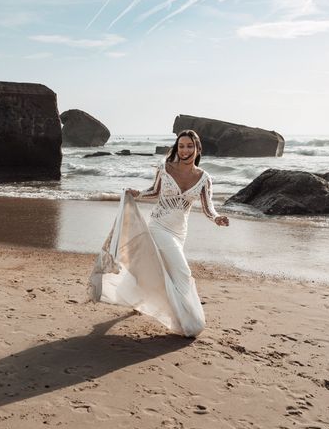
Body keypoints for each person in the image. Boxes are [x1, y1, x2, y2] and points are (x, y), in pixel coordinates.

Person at [89, 129, 229, 337]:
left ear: (197, 149)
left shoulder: (204, 178)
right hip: (158, 226)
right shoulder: (165, 168)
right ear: (177, 148)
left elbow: (208, 208)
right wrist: (137, 194)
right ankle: (189, 321)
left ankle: (138, 297)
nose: (185, 150)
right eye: (181, 146)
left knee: (161, 269)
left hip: (180, 231)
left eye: (189, 146)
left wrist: (217, 218)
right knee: (182, 272)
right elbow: (154, 192)